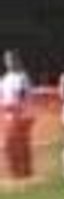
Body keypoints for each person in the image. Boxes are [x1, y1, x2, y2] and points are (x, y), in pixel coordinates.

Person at [1, 50, 33, 179]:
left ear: (17, 60)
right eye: (7, 60)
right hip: (9, 118)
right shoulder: (4, 79)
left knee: (22, 145)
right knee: (9, 146)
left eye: (12, 59)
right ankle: (15, 173)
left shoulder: (23, 77)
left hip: (22, 117)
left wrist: (14, 107)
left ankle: (26, 173)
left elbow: (22, 96)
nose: (9, 62)